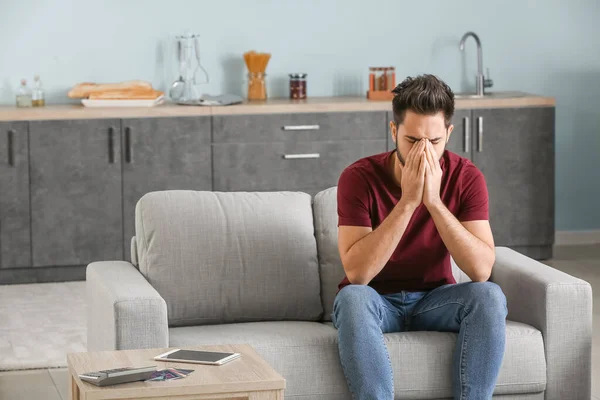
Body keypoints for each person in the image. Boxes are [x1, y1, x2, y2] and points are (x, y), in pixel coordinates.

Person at [333, 74, 508, 400]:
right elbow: (357, 274)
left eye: (435, 142)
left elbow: (481, 270)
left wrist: (434, 202)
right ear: (393, 131)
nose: (424, 153)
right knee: (352, 298)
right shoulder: (358, 178)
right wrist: (408, 202)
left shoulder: (466, 177)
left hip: (436, 301)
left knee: (489, 296)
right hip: (376, 302)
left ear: (449, 134)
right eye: (412, 141)